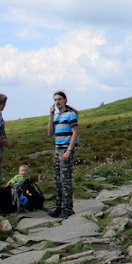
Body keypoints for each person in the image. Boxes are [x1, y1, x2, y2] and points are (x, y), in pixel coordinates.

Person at [47, 91, 79, 219]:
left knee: (65, 180)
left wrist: (69, 150)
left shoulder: (70, 114)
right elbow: (50, 133)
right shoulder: (56, 116)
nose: (57, 101)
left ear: (65, 100)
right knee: (58, 180)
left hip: (66, 148)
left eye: (59, 99)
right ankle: (59, 207)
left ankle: (68, 208)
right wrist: (50, 116)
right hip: (57, 149)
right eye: (55, 99)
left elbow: (75, 132)